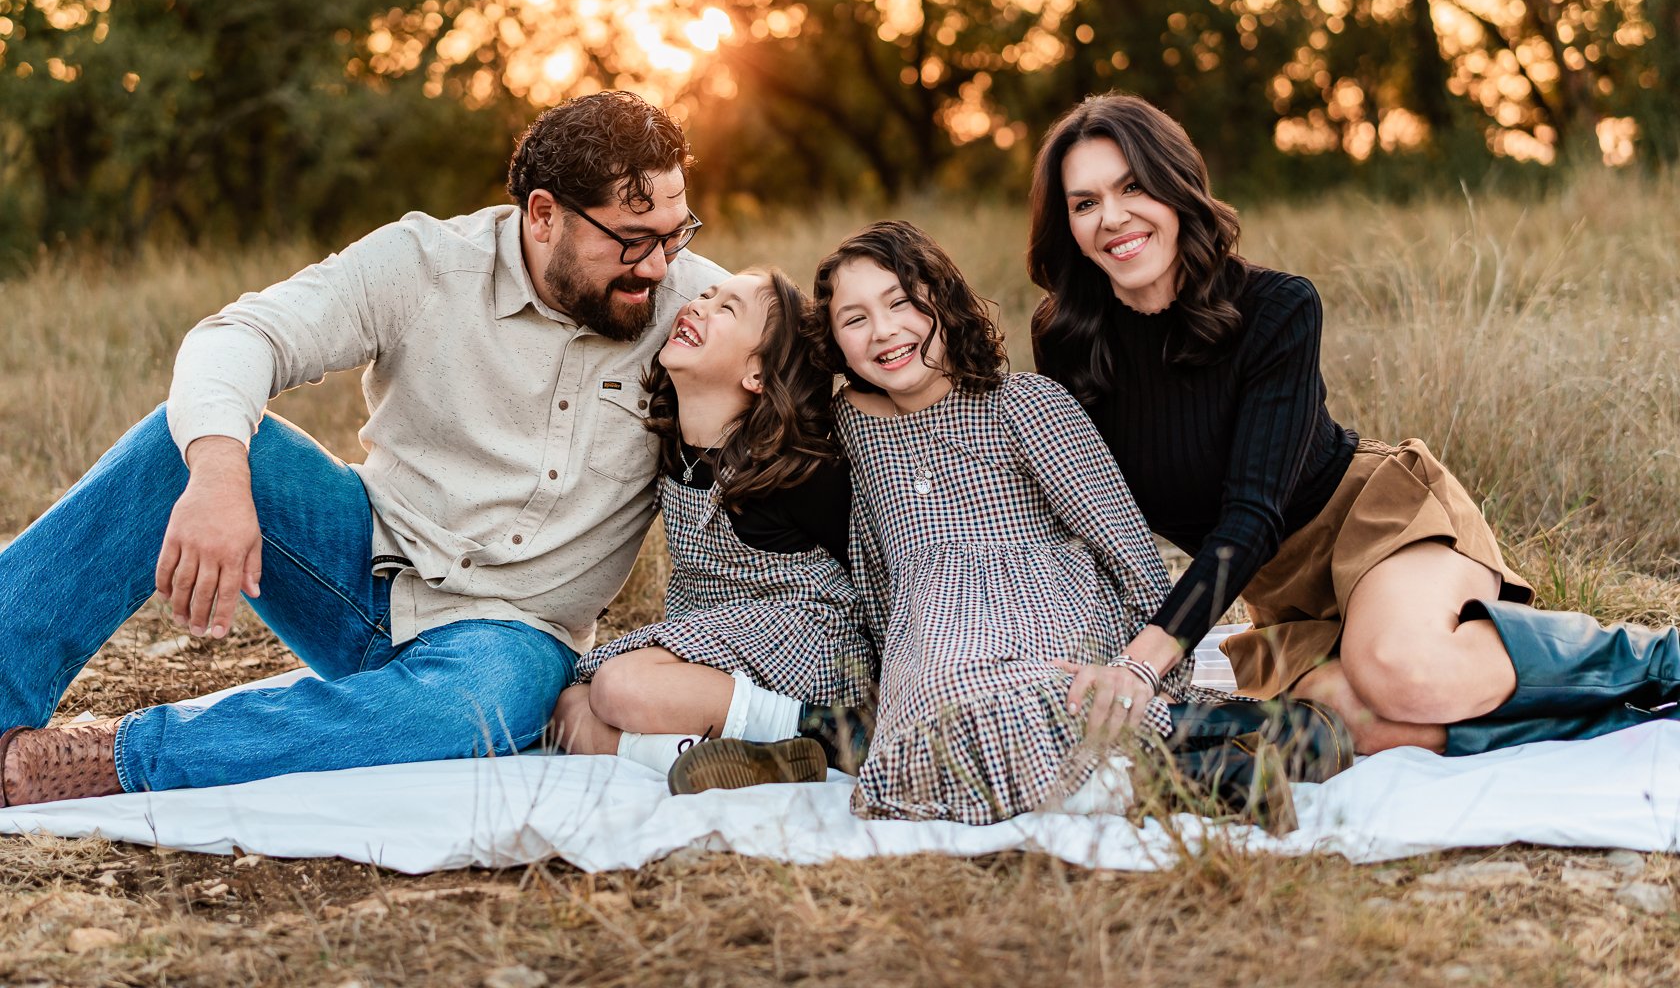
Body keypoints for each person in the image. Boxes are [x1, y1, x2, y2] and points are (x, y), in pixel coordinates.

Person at [0, 91, 726, 807]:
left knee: (481, 706)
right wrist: (219, 472)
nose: (658, 265)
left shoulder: (699, 314)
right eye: (631, 240)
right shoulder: (424, 263)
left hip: (510, 638)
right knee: (184, 441)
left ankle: (102, 758)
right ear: (542, 215)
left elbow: (811, 372)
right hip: (357, 566)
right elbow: (242, 336)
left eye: (674, 234)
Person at [1027, 91, 1680, 758]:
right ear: (1068, 224)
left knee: (1402, 671)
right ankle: (1622, 721)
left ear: (1176, 187)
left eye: (1133, 186)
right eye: (1085, 203)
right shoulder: (1069, 342)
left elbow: (1252, 514)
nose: (1113, 217)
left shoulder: (1277, 308)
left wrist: (1144, 662)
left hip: (1375, 519)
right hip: (1279, 590)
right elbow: (1081, 519)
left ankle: (1663, 660)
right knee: (1357, 719)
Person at [722, 220, 1350, 829]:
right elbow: (872, 560)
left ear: (944, 301)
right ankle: (1212, 765)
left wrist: (1156, 673)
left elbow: (1124, 544)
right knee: (913, 741)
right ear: (834, 344)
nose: (885, 331)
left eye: (902, 303)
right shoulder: (850, 429)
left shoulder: (1023, 403)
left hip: (1043, 602)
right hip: (931, 625)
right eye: (854, 319)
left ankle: (1211, 730)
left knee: (977, 703)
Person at [549, 268, 876, 789]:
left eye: (727, 309)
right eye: (705, 295)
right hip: (722, 641)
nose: (699, 305)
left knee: (617, 687)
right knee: (568, 712)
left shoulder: (791, 471)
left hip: (807, 645)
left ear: (758, 375)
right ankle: (741, 759)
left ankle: (831, 735)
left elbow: (873, 563)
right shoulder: (675, 447)